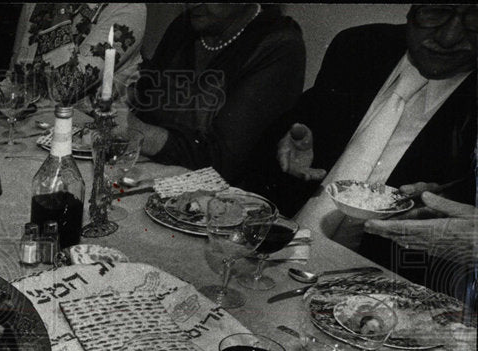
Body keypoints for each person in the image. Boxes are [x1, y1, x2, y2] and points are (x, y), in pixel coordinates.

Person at [270, 4, 476, 276]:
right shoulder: (360, 46)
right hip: (279, 251)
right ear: (411, 10)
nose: (448, 37)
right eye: (436, 11)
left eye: (475, 18)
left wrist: (454, 201)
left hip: (383, 286)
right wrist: (289, 145)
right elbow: (294, 134)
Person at [128, 4, 305, 183]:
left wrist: (139, 133)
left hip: (226, 198)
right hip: (153, 179)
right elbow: (144, 104)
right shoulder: (183, 27)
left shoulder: (279, 46)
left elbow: (224, 161)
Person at [10, 3, 147, 99]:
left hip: (92, 128)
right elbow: (15, 72)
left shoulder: (130, 9)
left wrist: (60, 11)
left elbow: (66, 88)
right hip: (30, 119)